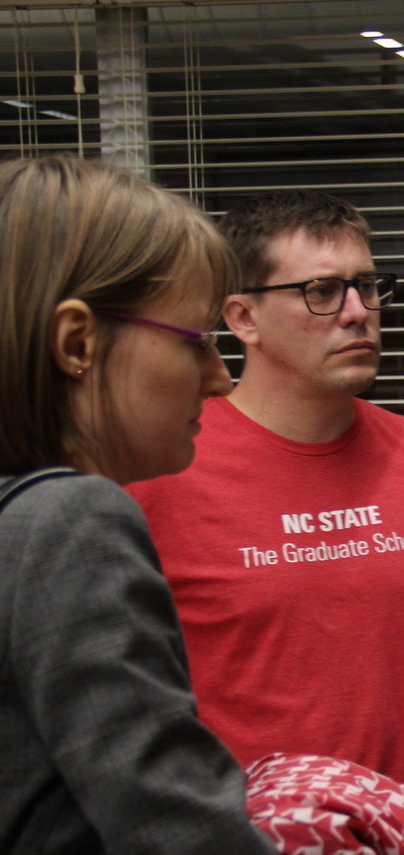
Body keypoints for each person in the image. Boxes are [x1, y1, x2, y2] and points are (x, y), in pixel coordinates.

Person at [127, 190, 404, 849]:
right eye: (322, 292)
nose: (358, 313)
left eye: (366, 287)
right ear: (242, 316)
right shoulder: (161, 465)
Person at [0, 155, 274, 853]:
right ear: (77, 342)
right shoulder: (69, 520)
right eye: (197, 342)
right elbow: (176, 825)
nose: (217, 380)